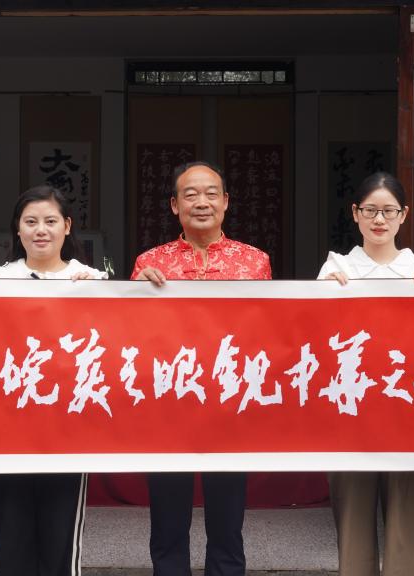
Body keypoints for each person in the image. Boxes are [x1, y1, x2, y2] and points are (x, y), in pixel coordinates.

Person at [132, 161, 270, 576]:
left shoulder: (255, 262)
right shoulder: (149, 262)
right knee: (168, 517)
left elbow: (266, 331)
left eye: (211, 193)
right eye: (190, 194)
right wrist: (134, 295)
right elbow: (133, 336)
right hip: (169, 403)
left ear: (226, 202)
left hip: (229, 404)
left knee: (227, 517)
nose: (201, 202)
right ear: (175, 205)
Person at [0, 184, 107, 576]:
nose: (40, 230)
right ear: (18, 228)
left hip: (69, 432)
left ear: (67, 226)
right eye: (31, 222)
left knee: (60, 540)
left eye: (50, 221)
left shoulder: (93, 281)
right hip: (8, 431)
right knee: (12, 539)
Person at [318, 170, 414, 576]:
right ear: (355, 213)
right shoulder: (335, 269)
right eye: (370, 210)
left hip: (409, 419)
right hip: (350, 418)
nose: (379, 220)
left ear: (403, 215)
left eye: (389, 211)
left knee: (404, 533)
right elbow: (314, 336)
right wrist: (322, 293)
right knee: (353, 529)